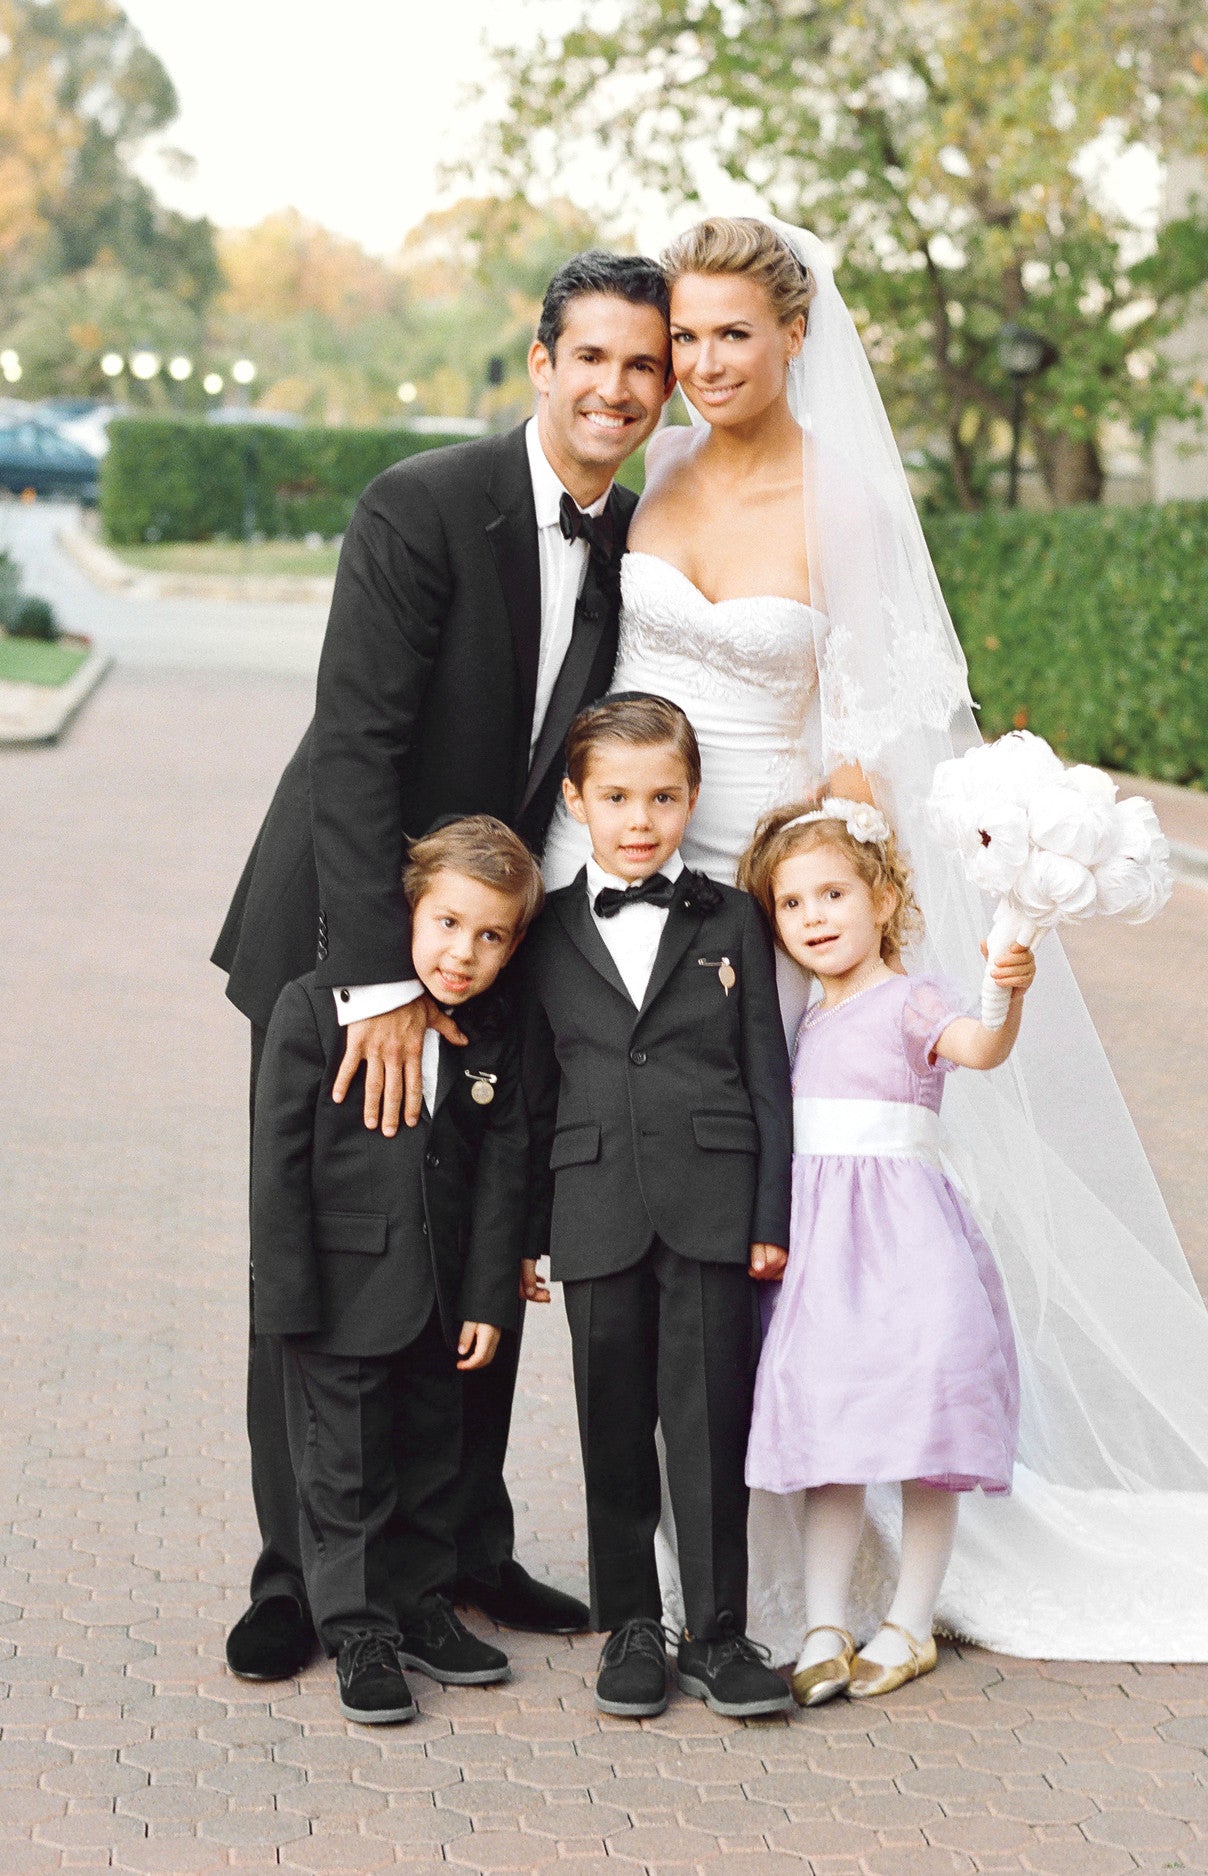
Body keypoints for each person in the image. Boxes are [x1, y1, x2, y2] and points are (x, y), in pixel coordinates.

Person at [542, 214, 1208, 1668]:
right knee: (654, 1220)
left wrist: (811, 916)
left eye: (735, 331)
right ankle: (691, 1565)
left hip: (771, 901)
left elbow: (870, 740)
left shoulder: (844, 504)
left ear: (799, 335)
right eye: (687, 334)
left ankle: (826, 1547)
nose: (703, 360)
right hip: (631, 859)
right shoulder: (652, 471)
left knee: (779, 1223)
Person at [212, 250, 674, 1681]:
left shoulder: (637, 543)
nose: (615, 387)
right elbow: (354, 750)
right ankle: (300, 1575)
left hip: (500, 956)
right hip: (343, 947)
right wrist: (382, 987)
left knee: (481, 1242)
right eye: (590, 356)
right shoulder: (419, 506)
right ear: (539, 362)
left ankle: (456, 1550)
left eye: (642, 366)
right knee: (338, 1251)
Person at [520, 693, 795, 1719]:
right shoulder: (546, 928)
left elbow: (767, 1073)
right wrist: (528, 1235)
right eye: (620, 797)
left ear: (692, 799)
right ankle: (629, 1624)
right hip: (591, 1208)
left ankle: (718, 1631)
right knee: (612, 1424)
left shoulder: (732, 917)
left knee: (712, 1423)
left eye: (665, 797)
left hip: (716, 1203)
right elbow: (532, 1095)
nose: (642, 820)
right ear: (578, 800)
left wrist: (771, 1211)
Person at [740, 798, 1034, 1705]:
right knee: (831, 1427)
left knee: (922, 1421)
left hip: (906, 1243)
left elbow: (979, 1050)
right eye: (793, 905)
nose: (815, 918)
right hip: (823, 1250)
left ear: (881, 898)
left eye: (833, 894)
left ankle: (909, 1622)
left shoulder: (911, 999)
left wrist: (1005, 991)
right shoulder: (804, 1018)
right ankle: (826, 1619)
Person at [252, 816, 538, 1723]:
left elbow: (502, 1172)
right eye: (448, 924)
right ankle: (358, 1630)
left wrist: (491, 1293)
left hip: (444, 1296)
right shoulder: (313, 1007)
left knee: (430, 1457)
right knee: (347, 1470)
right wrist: (286, 1297)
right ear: (410, 911)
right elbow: (278, 1166)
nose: (464, 954)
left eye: (491, 936)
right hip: (340, 1295)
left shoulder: (494, 1030)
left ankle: (420, 1606)